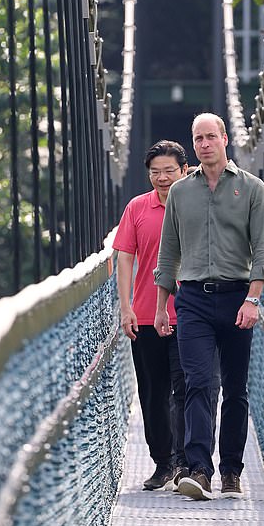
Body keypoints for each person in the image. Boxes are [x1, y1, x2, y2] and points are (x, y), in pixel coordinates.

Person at [154, 113, 264, 501]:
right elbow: (168, 252)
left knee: (236, 389)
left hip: (239, 297)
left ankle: (231, 471)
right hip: (192, 301)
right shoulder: (180, 193)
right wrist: (161, 306)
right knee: (199, 382)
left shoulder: (253, 189)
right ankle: (200, 469)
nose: (204, 144)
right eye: (198, 138)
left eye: (210, 137)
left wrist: (253, 299)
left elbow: (262, 250)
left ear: (225, 138)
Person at [113, 140, 190, 491]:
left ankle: (184, 462)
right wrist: (125, 305)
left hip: (189, 314)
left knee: (185, 389)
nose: (161, 178)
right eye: (155, 172)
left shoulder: (195, 204)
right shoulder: (136, 208)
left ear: (184, 171)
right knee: (151, 393)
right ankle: (162, 462)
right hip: (145, 314)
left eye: (169, 171)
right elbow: (125, 257)